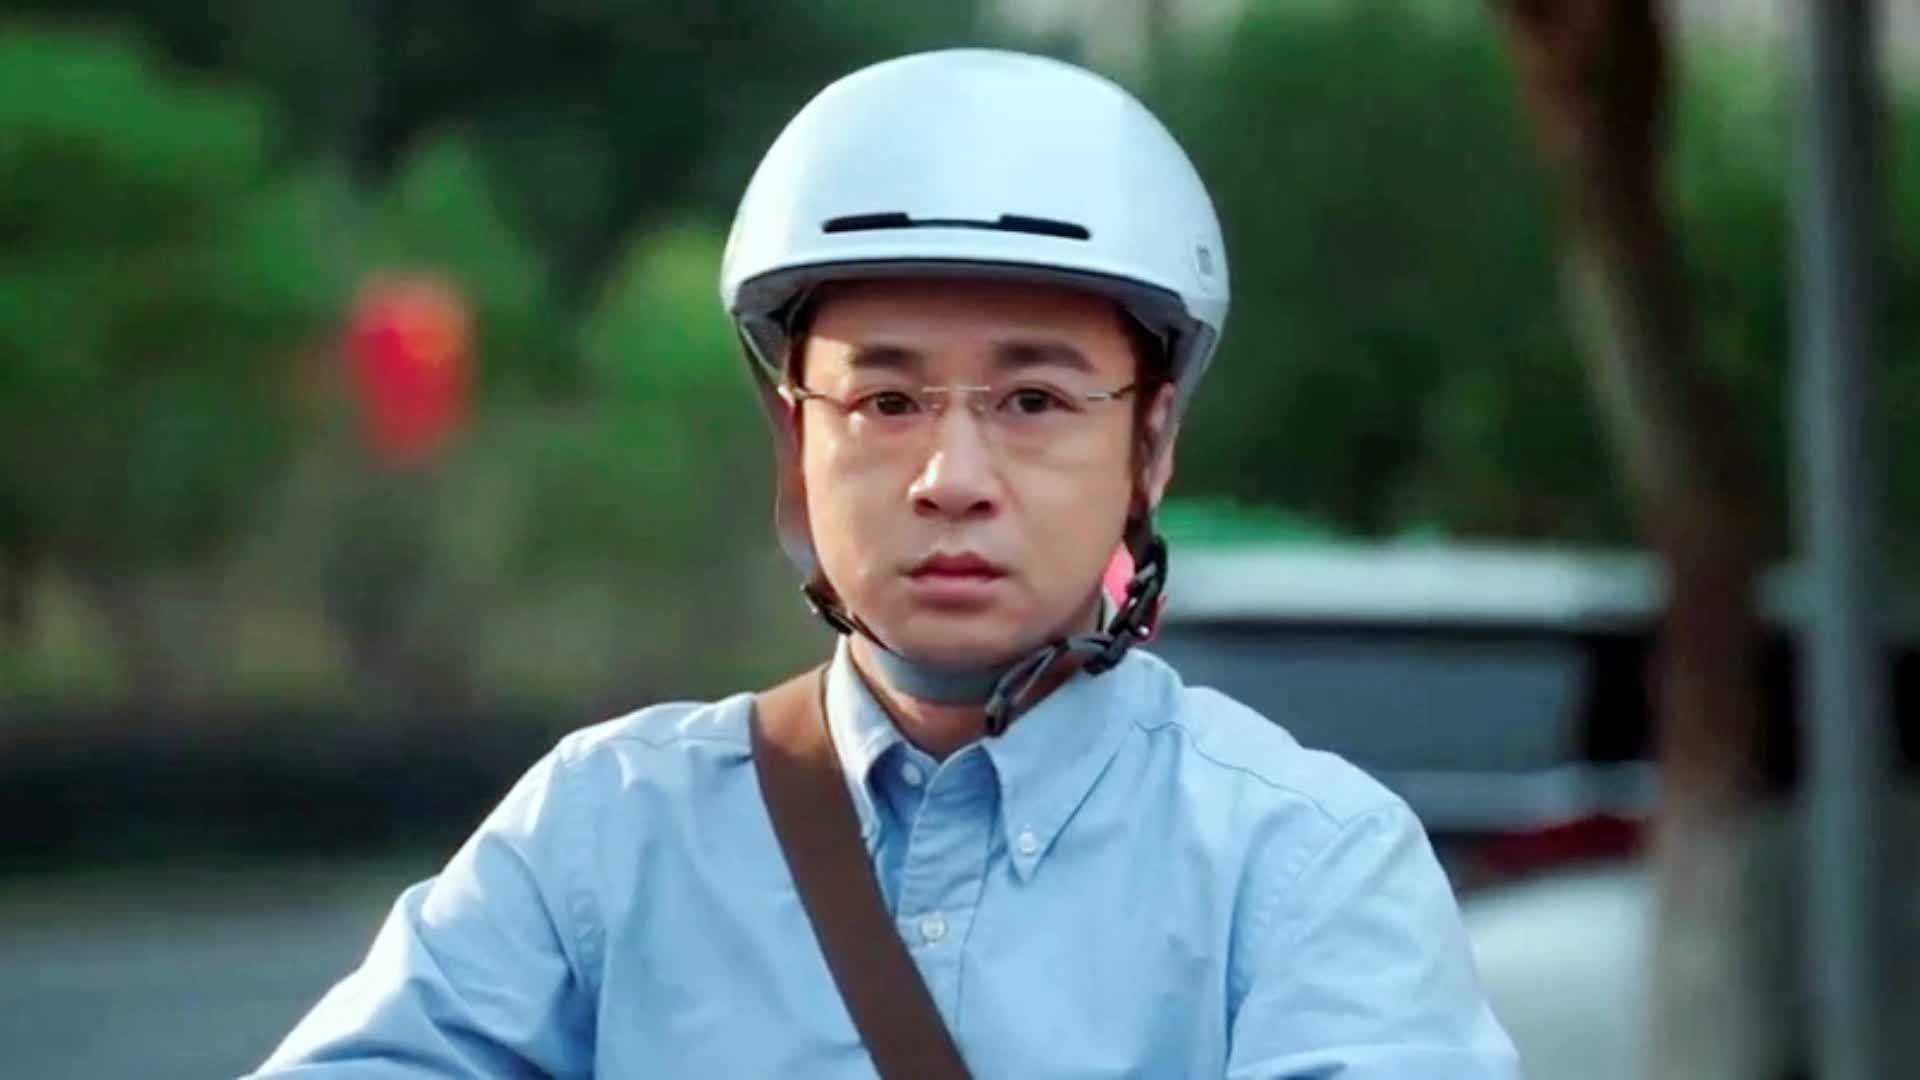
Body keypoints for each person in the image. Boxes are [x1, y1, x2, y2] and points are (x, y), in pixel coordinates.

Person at [251, 48, 1519, 1078]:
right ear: (795, 435)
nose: (950, 475)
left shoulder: (1303, 867)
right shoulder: (605, 834)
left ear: (1151, 441)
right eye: (886, 401)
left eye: (1033, 400)